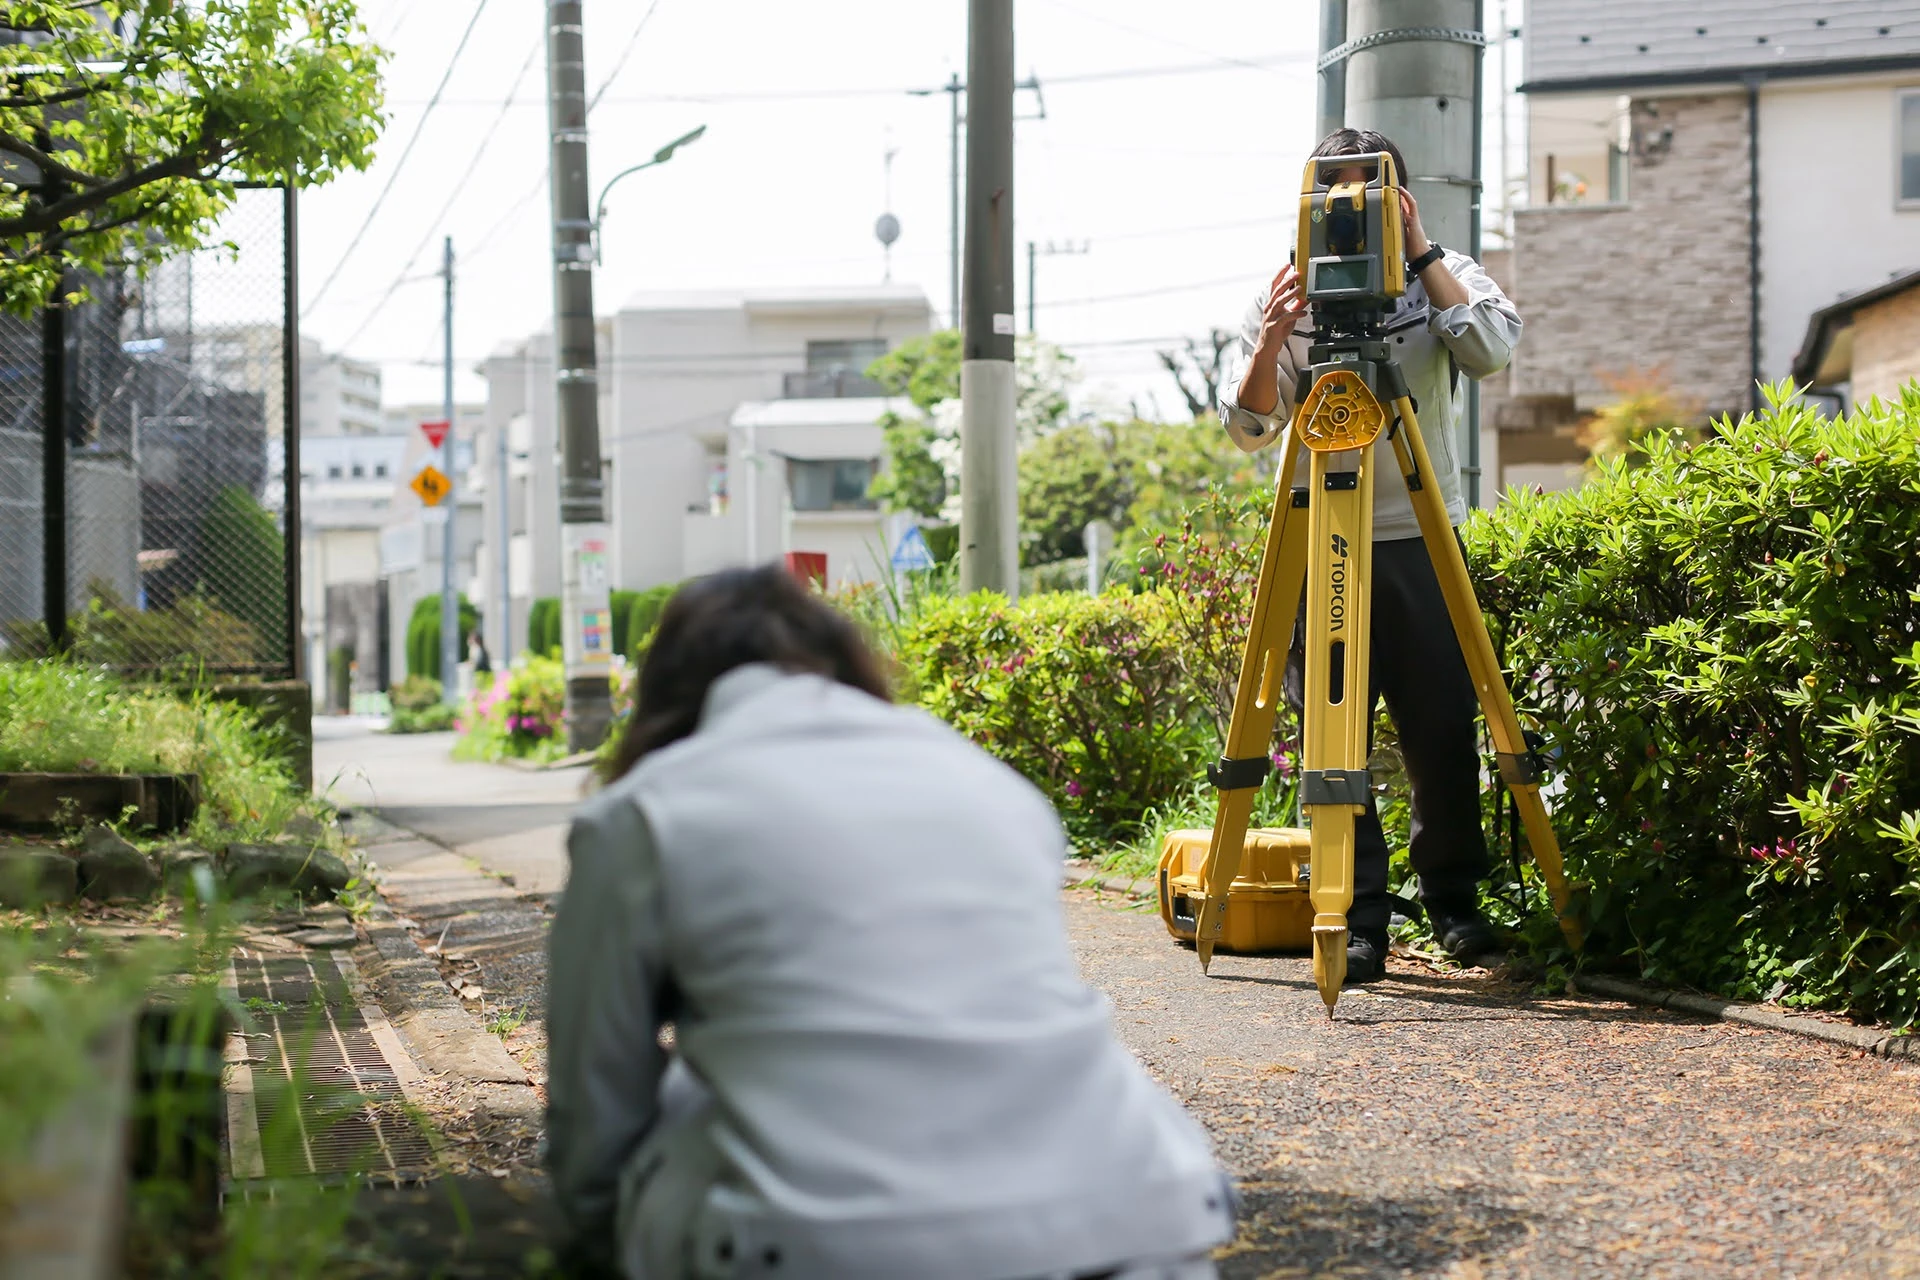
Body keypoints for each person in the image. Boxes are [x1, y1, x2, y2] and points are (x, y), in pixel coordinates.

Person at [546, 565, 1235, 1279]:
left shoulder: (643, 814)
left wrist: (593, 1238)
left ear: (668, 698)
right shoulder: (988, 783)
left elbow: (596, 1096)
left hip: (827, 1247)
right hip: (1131, 1213)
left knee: (688, 1098)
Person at [1217, 127, 1523, 985]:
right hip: (1320, 536)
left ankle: (1455, 906)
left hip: (1421, 533)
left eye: (1366, 187)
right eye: (1333, 188)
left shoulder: (1444, 274)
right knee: (1332, 739)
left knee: (1441, 729)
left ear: (1400, 194)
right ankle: (1356, 918)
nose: (1348, 204)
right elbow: (1249, 429)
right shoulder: (1285, 291)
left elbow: (1490, 353)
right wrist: (1273, 338)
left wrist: (1421, 253)